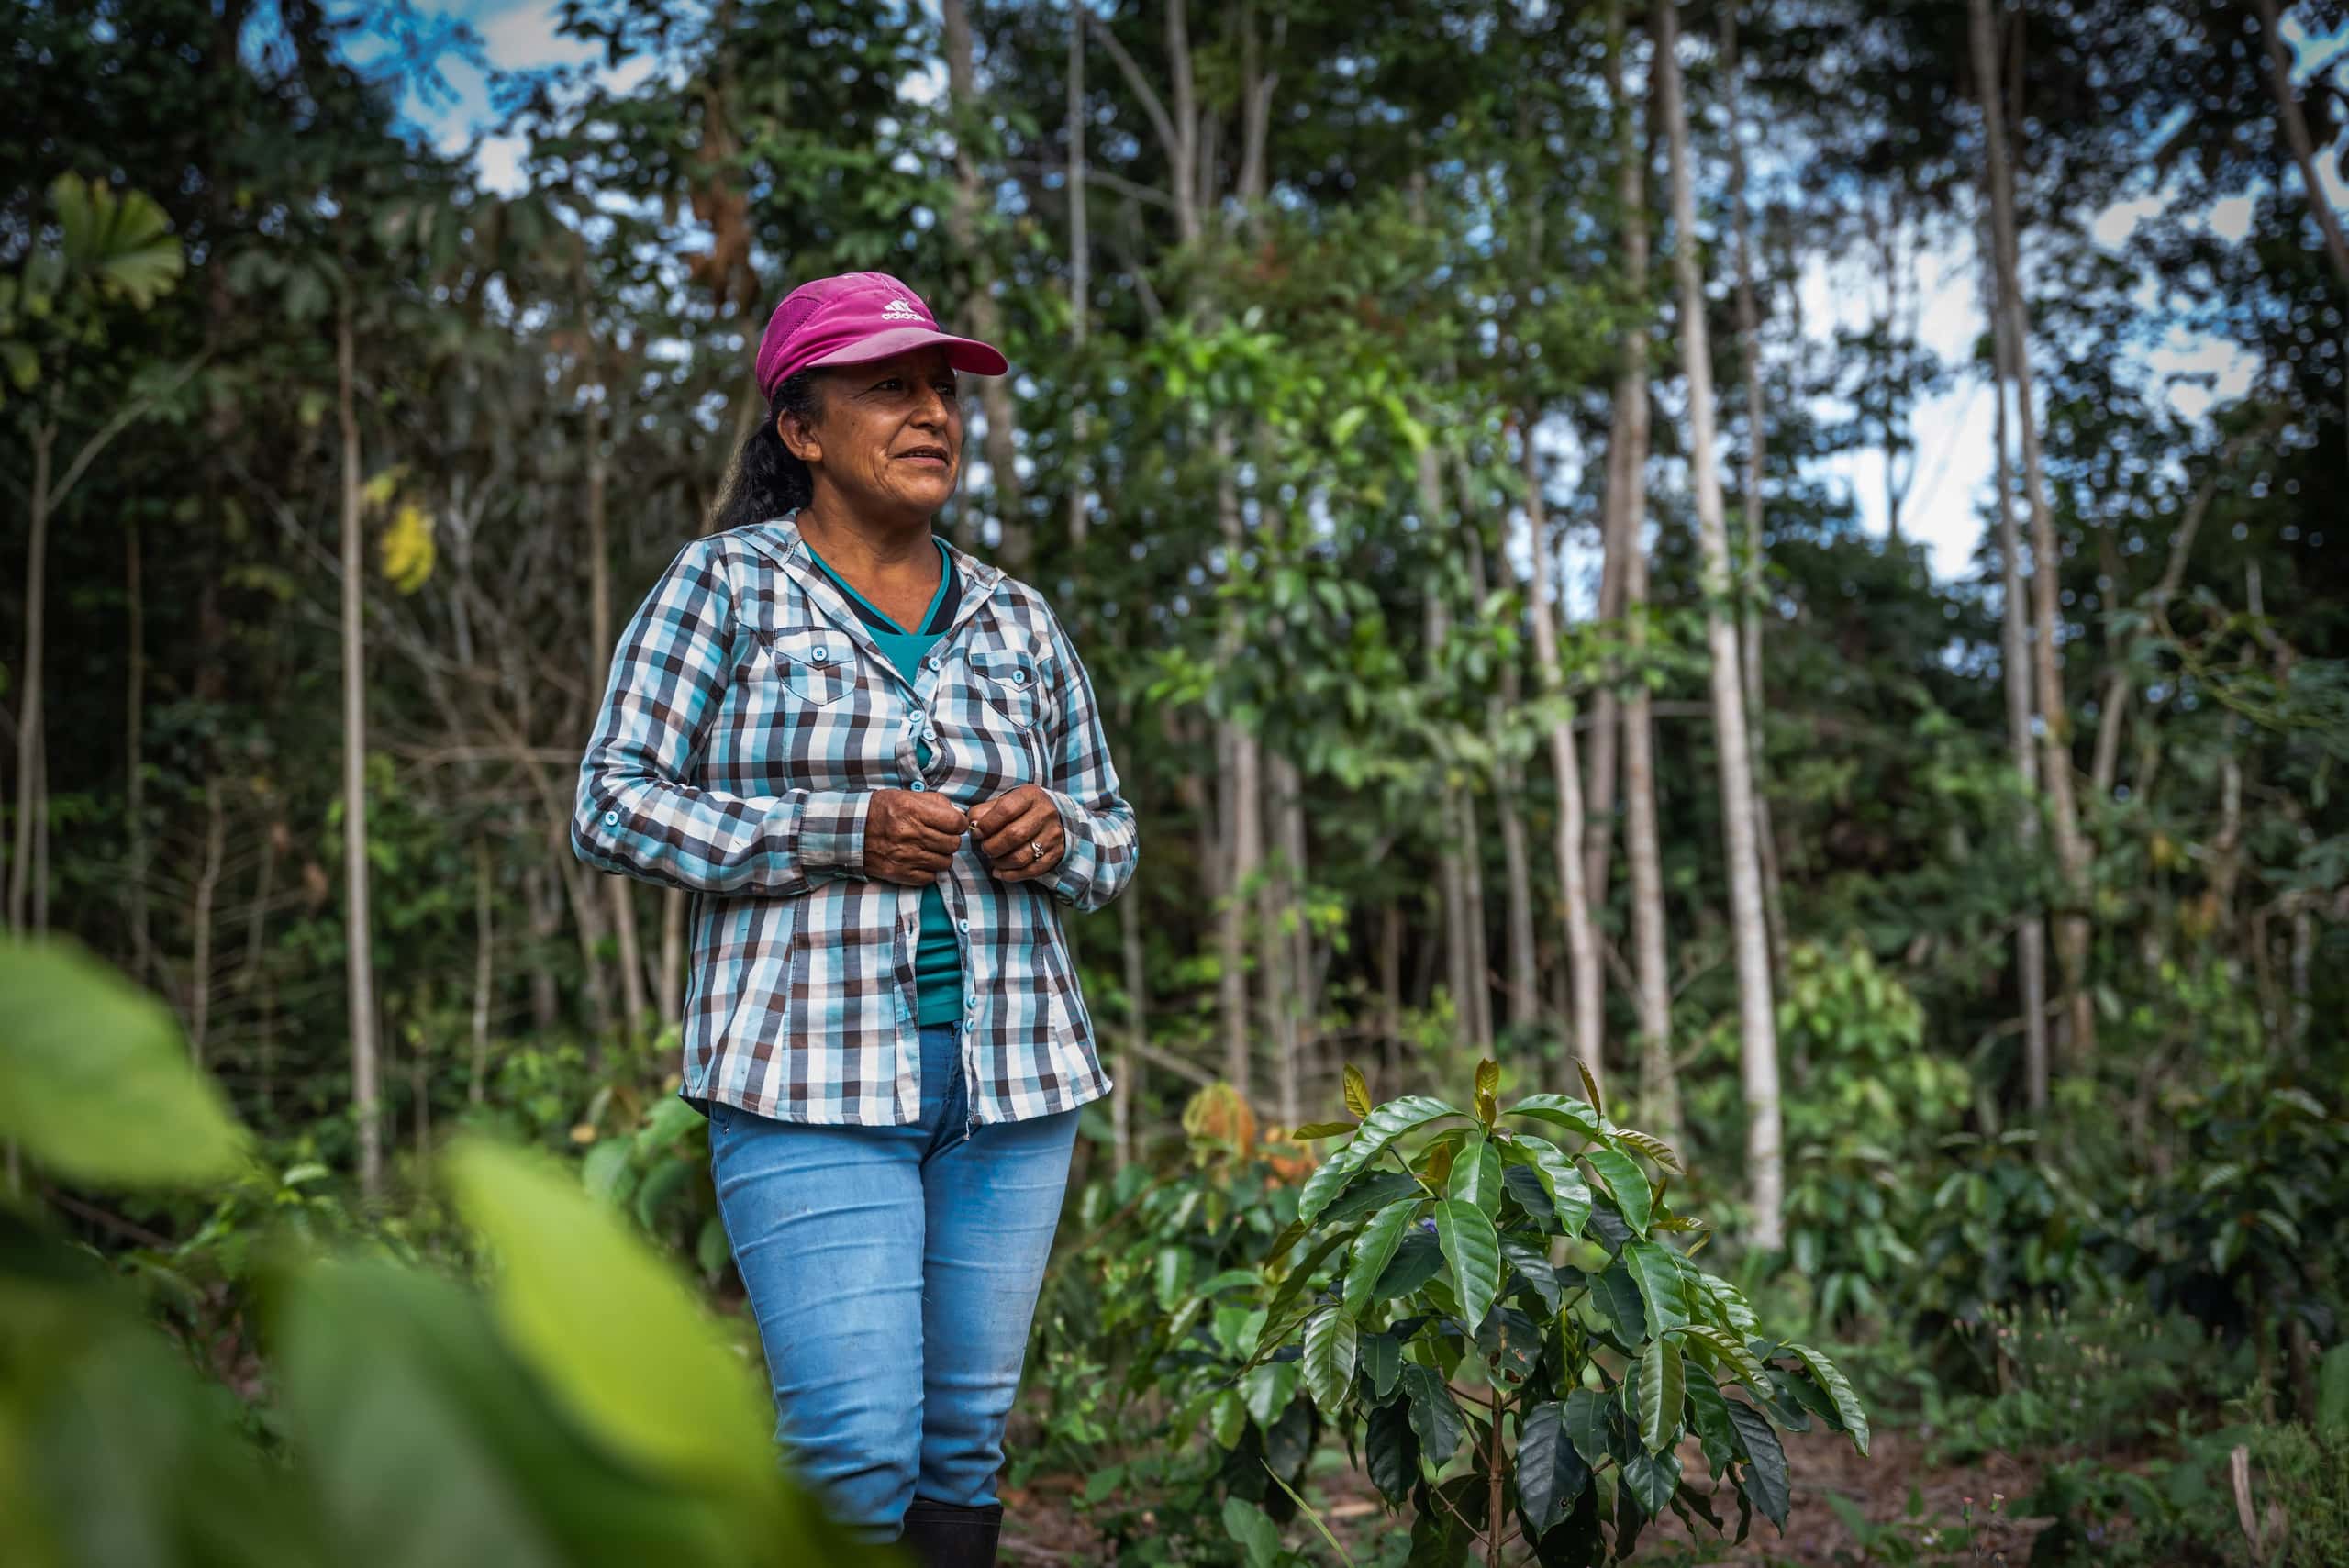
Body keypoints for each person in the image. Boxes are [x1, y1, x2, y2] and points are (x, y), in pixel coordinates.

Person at [572, 271, 1137, 1567]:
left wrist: (1057, 830)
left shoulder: (1018, 616)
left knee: (961, 1444)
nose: (933, 410)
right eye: (891, 385)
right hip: (805, 1080)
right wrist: (834, 830)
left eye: (942, 387)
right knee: (849, 1446)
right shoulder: (724, 588)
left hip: (1015, 1084)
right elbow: (610, 802)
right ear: (803, 427)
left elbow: (1111, 838)